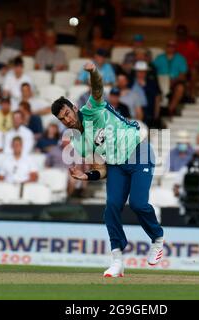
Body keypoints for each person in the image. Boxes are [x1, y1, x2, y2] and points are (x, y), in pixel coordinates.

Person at [51, 62, 164, 277]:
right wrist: (86, 175)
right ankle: (117, 260)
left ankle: (157, 239)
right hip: (116, 165)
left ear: (74, 108)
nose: (67, 119)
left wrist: (93, 72)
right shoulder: (77, 140)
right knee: (111, 206)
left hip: (138, 152)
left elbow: (97, 89)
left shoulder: (92, 109)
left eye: (67, 113)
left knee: (139, 204)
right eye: (62, 119)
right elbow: (100, 168)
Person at [153, 40, 188, 116]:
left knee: (180, 88)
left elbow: (183, 74)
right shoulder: (159, 58)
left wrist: (174, 81)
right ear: (166, 47)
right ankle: (156, 112)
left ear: (175, 48)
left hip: (175, 80)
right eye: (169, 46)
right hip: (160, 80)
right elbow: (153, 70)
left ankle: (169, 109)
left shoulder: (181, 59)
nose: (170, 48)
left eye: (173, 46)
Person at [175, 24, 199, 102]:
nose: (181, 35)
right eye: (179, 33)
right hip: (177, 70)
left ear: (186, 34)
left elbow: (197, 59)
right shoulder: (174, 45)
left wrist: (194, 65)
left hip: (189, 68)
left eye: (183, 33)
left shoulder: (192, 45)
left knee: (194, 72)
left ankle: (191, 94)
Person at [131, 61, 161, 127]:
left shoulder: (152, 83)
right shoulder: (131, 82)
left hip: (147, 111)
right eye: (139, 71)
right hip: (132, 110)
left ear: (146, 72)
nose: (141, 74)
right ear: (135, 72)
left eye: (143, 72)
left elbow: (157, 96)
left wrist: (145, 86)